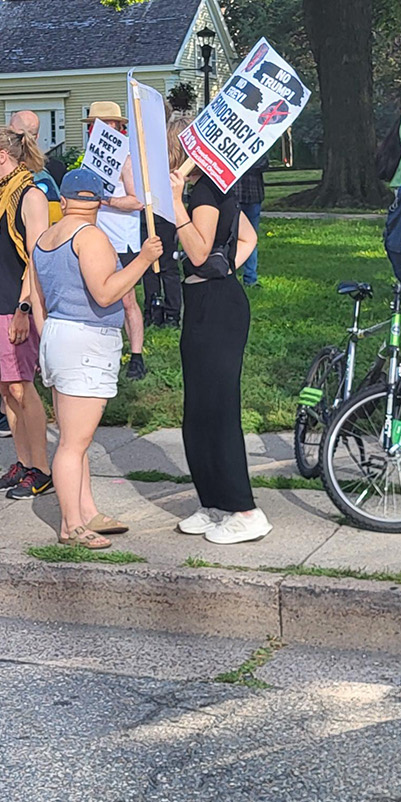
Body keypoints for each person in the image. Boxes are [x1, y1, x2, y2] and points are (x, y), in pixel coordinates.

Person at [31, 168, 163, 548]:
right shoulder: (91, 237)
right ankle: (71, 526)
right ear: (101, 202)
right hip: (86, 341)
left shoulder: (44, 239)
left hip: (57, 334)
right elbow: (105, 293)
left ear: (64, 201)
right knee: (73, 444)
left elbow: (37, 299)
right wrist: (143, 259)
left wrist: (48, 339)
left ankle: (87, 511)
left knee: (75, 439)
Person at [166, 114, 269, 544]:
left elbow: (197, 250)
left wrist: (176, 205)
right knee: (199, 412)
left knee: (219, 410)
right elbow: (248, 240)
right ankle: (213, 503)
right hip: (208, 301)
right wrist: (224, 268)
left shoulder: (206, 192)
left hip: (216, 307)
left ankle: (245, 510)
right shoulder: (210, 189)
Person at [0, 127, 54, 496]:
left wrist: (24, 306)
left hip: (14, 302)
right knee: (5, 390)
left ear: (2, 155)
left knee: (22, 387)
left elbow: (36, 257)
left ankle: (42, 468)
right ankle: (22, 462)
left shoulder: (31, 194)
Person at [82, 101, 151, 378]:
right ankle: (100, 351)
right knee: (93, 296)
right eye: (93, 124)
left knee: (126, 299)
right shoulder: (91, 158)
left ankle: (136, 356)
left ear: (116, 126)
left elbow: (137, 202)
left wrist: (106, 200)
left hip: (122, 239)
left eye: (104, 123)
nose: (97, 128)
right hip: (95, 237)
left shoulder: (126, 158)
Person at [236, 152, 268, 288]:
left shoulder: (256, 145)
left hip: (253, 196)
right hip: (233, 197)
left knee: (251, 238)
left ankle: (250, 278)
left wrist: (241, 162)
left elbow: (264, 163)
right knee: (227, 237)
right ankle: (227, 275)